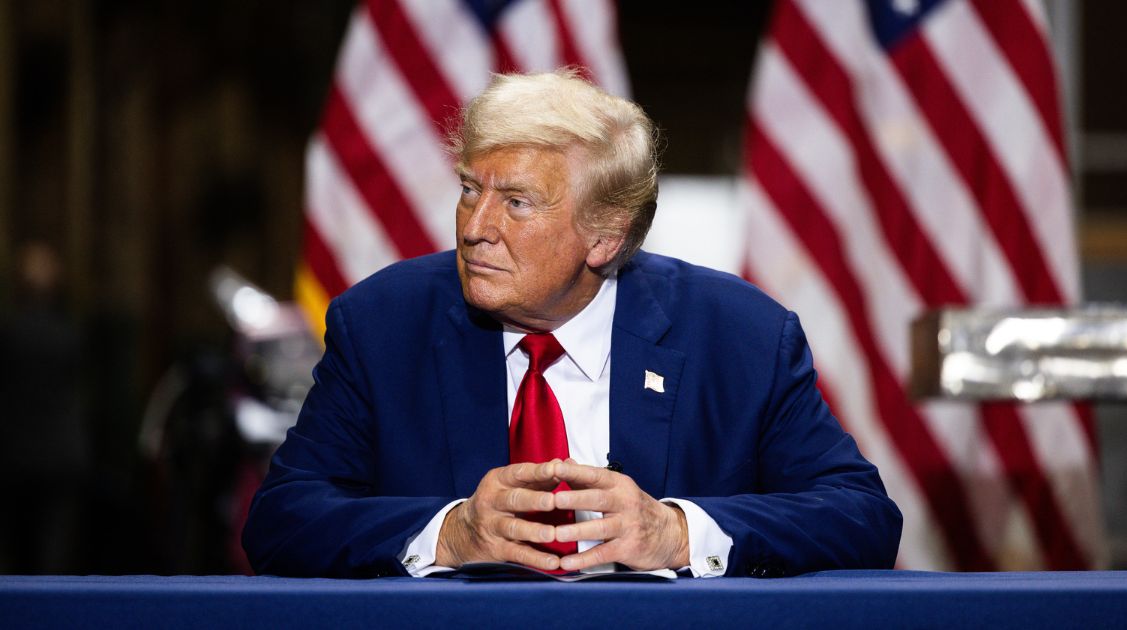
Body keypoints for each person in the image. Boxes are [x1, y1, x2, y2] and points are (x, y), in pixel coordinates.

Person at [242, 70, 901, 578]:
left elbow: (862, 516)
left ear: (605, 237)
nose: (474, 228)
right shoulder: (383, 325)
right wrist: (449, 535)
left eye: (517, 203)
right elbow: (280, 521)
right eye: (471, 188)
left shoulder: (739, 337)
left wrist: (677, 532)